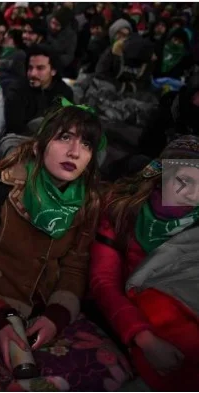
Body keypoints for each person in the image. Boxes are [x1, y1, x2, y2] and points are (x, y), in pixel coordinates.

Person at [0, 102, 131, 391]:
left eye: (86, 144)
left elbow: (75, 267)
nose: (75, 152)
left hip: (44, 313)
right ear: (40, 145)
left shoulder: (88, 203)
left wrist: (57, 315)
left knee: (112, 371)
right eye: (65, 137)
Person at [90, 135, 199, 391]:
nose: (192, 190)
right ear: (162, 173)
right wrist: (144, 338)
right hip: (133, 320)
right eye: (184, 177)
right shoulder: (123, 211)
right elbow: (103, 281)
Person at [4, 44, 74, 137]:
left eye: (40, 68)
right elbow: (14, 130)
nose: (33, 73)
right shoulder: (16, 91)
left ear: (53, 70)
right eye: (30, 68)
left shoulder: (65, 92)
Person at [46, 6, 77, 76]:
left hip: (56, 65)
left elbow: (69, 55)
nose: (53, 26)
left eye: (57, 25)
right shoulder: (46, 22)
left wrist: (54, 61)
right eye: (53, 23)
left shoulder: (71, 35)